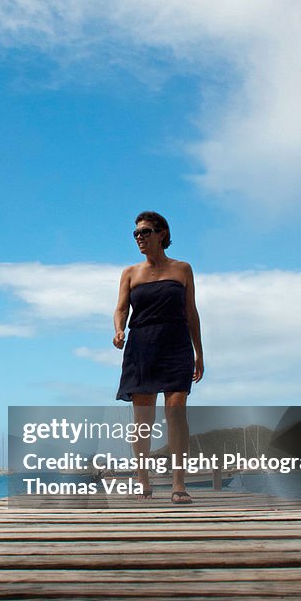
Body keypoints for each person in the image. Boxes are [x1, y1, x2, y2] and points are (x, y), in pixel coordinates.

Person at [113, 211, 204, 503]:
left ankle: (179, 484)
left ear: (162, 234)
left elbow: (191, 312)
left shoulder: (183, 269)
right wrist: (118, 331)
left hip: (176, 343)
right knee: (143, 419)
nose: (140, 237)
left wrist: (199, 352)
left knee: (176, 413)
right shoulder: (130, 273)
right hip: (142, 345)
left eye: (146, 232)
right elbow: (121, 309)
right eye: (136, 233)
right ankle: (143, 481)